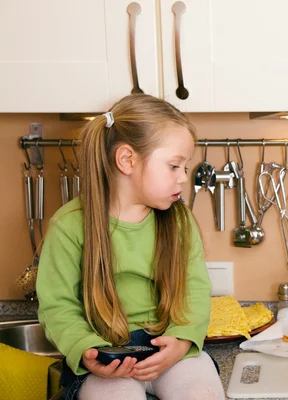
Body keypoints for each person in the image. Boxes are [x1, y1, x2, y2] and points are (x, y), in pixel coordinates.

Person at [36, 94, 225, 400]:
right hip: (105, 357)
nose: (183, 178)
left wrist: (181, 341)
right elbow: (57, 306)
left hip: (168, 350)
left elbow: (194, 291)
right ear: (127, 160)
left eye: (185, 168)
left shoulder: (179, 222)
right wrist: (85, 348)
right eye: (174, 166)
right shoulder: (69, 226)